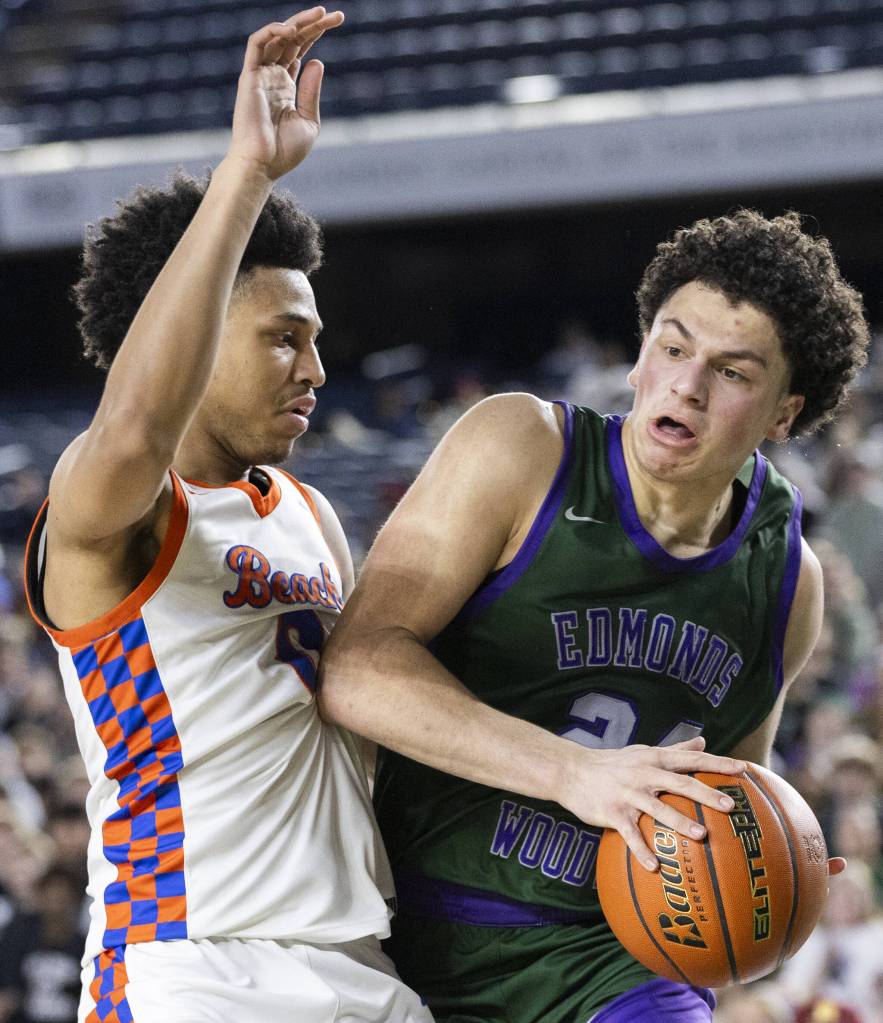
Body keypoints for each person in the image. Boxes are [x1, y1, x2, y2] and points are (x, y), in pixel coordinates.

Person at [319, 209, 868, 1022]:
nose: (685, 385)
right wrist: (574, 774)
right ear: (640, 354)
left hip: (615, 955)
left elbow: (726, 797)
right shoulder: (522, 449)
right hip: (415, 921)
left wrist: (775, 872)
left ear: (783, 413)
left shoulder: (785, 578)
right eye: (672, 348)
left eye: (731, 372)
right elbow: (356, 668)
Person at [22, 8, 432, 1023]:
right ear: (196, 333)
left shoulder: (308, 514)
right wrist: (245, 175)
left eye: (315, 339)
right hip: (193, 969)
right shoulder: (107, 511)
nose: (316, 370)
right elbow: (132, 427)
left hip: (361, 967)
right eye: (284, 338)